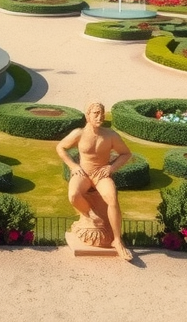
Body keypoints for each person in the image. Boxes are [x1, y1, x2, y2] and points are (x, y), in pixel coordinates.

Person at [57, 101, 134, 260]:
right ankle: (91, 215)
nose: (100, 117)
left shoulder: (110, 135)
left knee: (112, 198)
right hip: (84, 173)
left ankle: (117, 241)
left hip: (101, 175)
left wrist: (111, 168)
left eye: (102, 113)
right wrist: (72, 165)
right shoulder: (79, 133)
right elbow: (60, 147)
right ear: (88, 116)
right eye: (96, 113)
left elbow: (126, 153)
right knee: (73, 195)